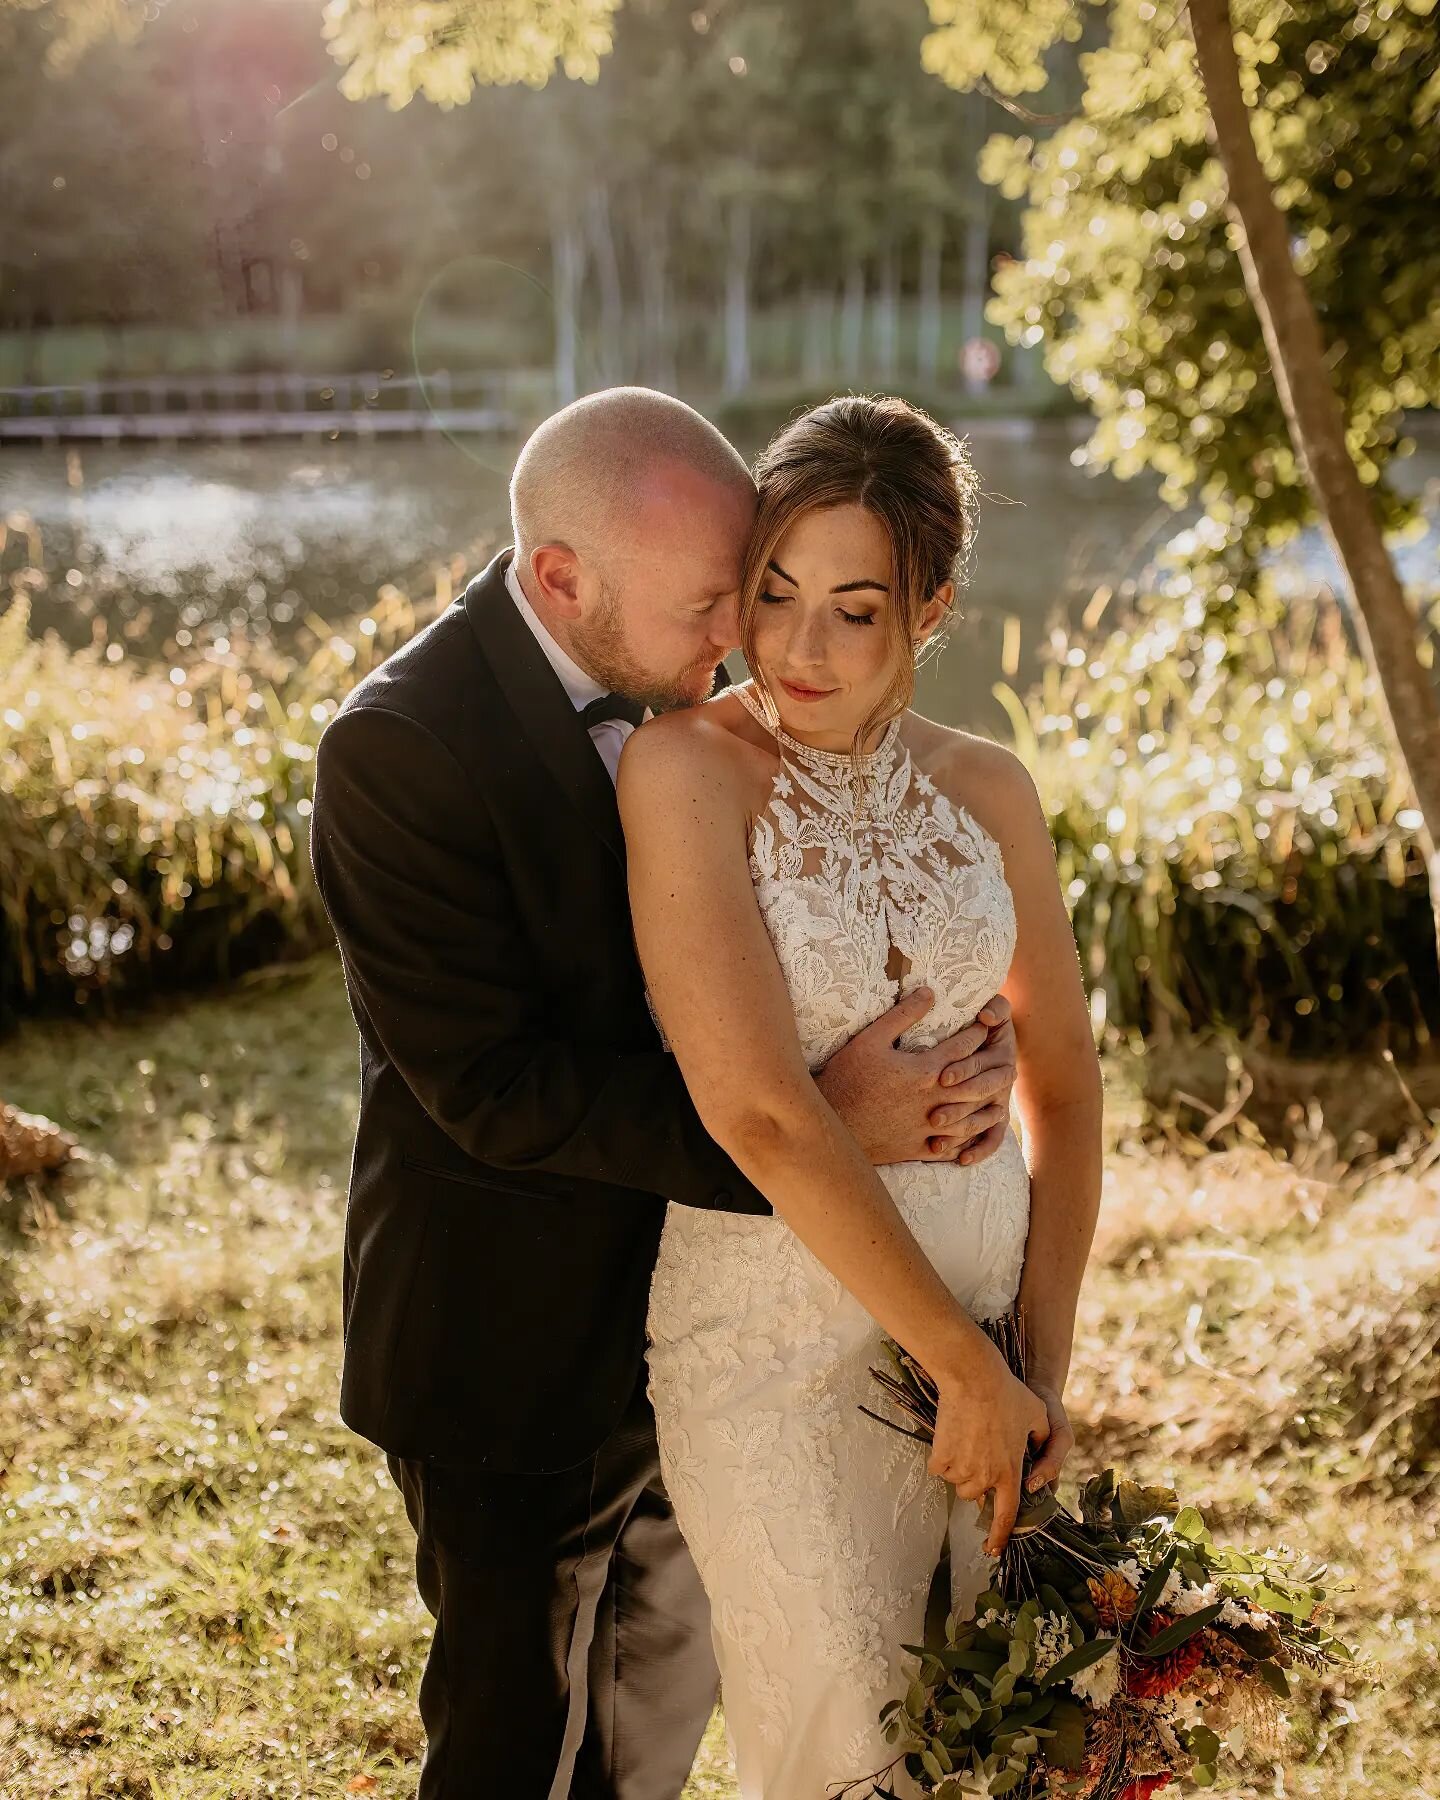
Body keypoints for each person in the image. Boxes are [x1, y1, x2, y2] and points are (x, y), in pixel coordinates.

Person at [308, 387, 1022, 1800]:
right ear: (563, 578)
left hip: (704, 1323)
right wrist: (822, 1125)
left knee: (651, 1734)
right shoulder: (395, 751)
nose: (739, 645)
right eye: (719, 603)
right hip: (503, 1352)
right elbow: (493, 1089)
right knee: (516, 1741)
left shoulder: (695, 716)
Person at [620, 394, 1104, 1797]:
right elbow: (760, 1109)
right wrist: (960, 1362)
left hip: (990, 1353)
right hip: (777, 1353)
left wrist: (1034, 1372)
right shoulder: (686, 769)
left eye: (853, 610)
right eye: (772, 595)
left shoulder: (989, 788)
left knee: (997, 1744)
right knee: (850, 1741)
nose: (796, 647)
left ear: (931, 609)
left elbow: (1064, 1088)